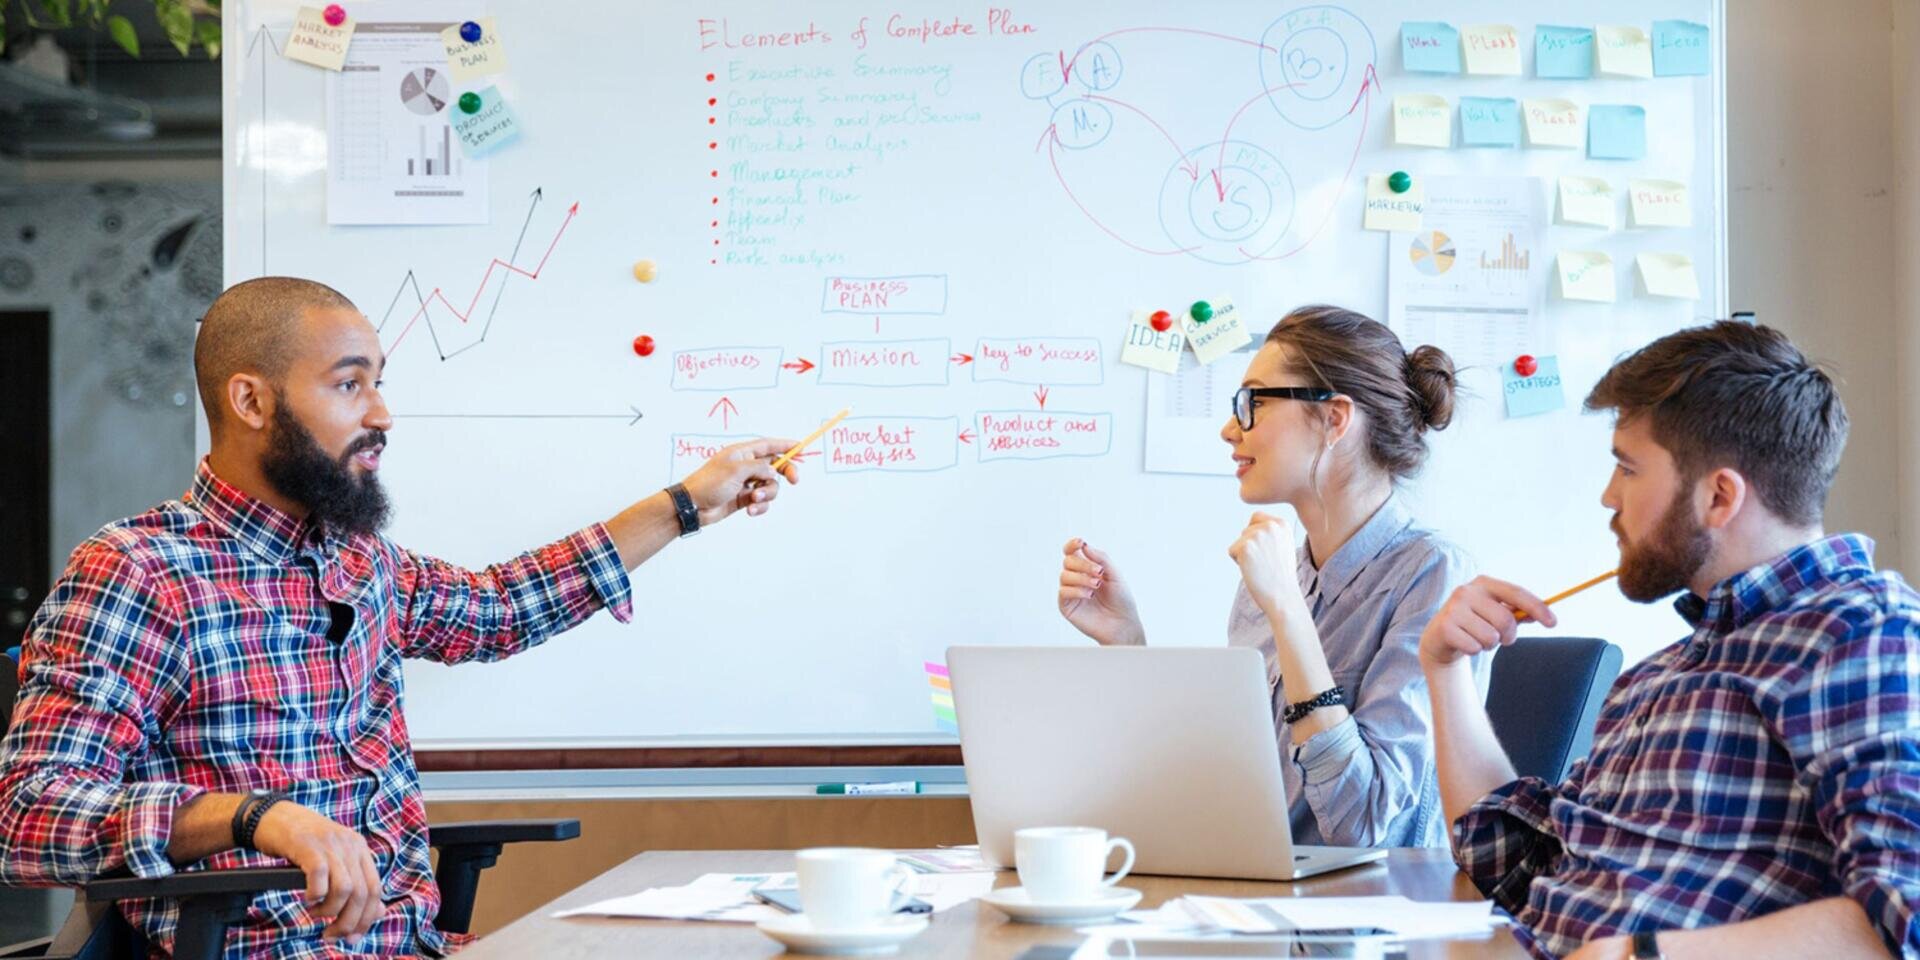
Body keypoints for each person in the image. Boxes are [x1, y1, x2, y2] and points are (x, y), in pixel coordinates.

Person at [0, 277, 803, 958]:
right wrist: (253, 819)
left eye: (379, 382)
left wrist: (689, 504)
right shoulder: (138, 573)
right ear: (251, 399)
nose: (381, 412)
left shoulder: (359, 560)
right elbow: (31, 813)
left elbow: (496, 608)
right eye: (350, 384)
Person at [1420, 321, 1920, 959]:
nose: (1608, 497)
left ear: (1718, 496)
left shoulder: (1861, 635)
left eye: (1627, 468)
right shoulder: (1659, 678)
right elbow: (1511, 863)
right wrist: (1446, 669)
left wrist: (1639, 956)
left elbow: (1904, 916)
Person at [1055, 305, 1477, 847]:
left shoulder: (1433, 574)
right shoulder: (1277, 572)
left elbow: (1363, 824)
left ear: (1334, 419)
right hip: (1262, 896)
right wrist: (1128, 643)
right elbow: (1224, 787)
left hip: (1366, 915)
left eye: (1252, 402)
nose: (1230, 430)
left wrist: (1286, 607)